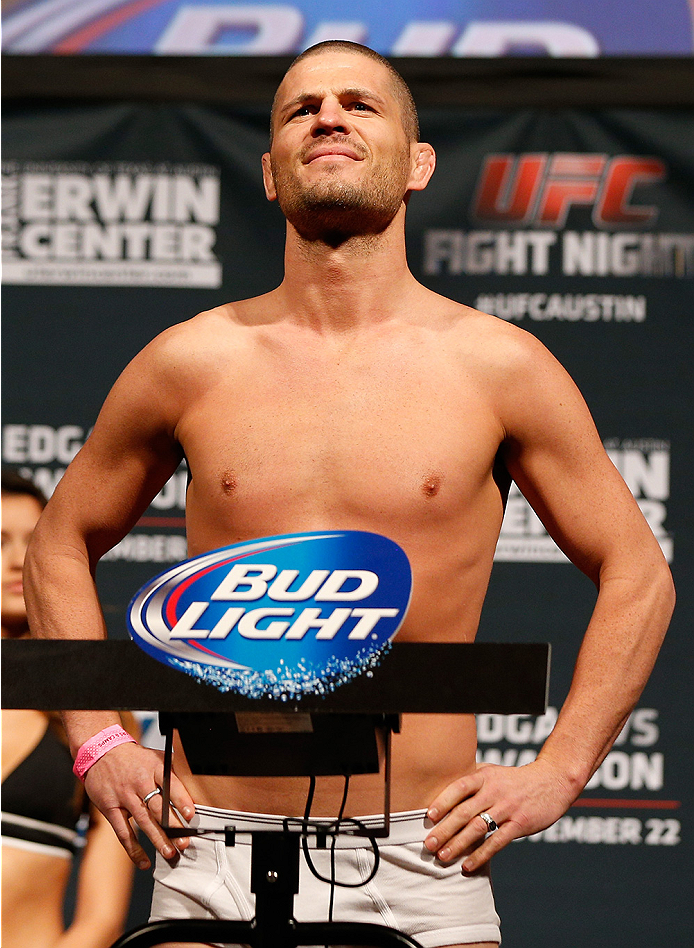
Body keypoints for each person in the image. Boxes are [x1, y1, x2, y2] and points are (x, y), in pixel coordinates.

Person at [23, 41, 674, 948]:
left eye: (360, 104)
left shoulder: (500, 368)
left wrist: (561, 771)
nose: (328, 117)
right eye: (301, 109)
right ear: (267, 172)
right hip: (210, 853)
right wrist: (97, 740)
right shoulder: (189, 362)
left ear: (418, 165)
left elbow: (639, 571)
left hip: (421, 861)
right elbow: (57, 540)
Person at [1, 469, 135, 948]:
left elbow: (100, 921)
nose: (18, 560)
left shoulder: (94, 715)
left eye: (33, 542)